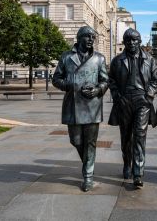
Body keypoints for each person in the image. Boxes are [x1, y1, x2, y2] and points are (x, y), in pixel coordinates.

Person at [52, 26, 109, 192]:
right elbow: (56, 79)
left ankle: (88, 176)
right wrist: (69, 84)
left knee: (90, 143)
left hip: (92, 106)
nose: (91, 39)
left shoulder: (99, 58)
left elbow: (105, 81)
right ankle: (88, 166)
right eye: (87, 36)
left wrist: (98, 90)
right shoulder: (66, 57)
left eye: (93, 37)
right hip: (73, 105)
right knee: (75, 140)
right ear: (79, 38)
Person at [108, 28, 157, 189]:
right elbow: (111, 81)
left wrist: (149, 96)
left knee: (139, 135)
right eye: (128, 40)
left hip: (142, 101)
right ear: (124, 42)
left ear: (140, 41)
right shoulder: (117, 61)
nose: (131, 42)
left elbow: (155, 80)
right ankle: (127, 164)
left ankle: (138, 172)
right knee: (126, 138)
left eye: (134, 39)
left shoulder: (149, 60)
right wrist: (118, 97)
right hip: (124, 101)